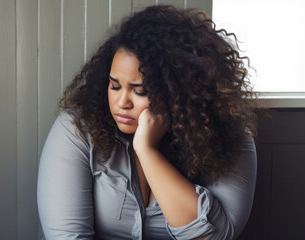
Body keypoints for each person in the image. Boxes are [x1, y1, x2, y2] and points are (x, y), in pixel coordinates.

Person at [37, 4, 258, 240]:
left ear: (179, 92)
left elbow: (214, 237)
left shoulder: (227, 136)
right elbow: (67, 236)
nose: (122, 102)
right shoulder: (77, 129)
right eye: (114, 86)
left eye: (139, 91)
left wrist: (147, 150)